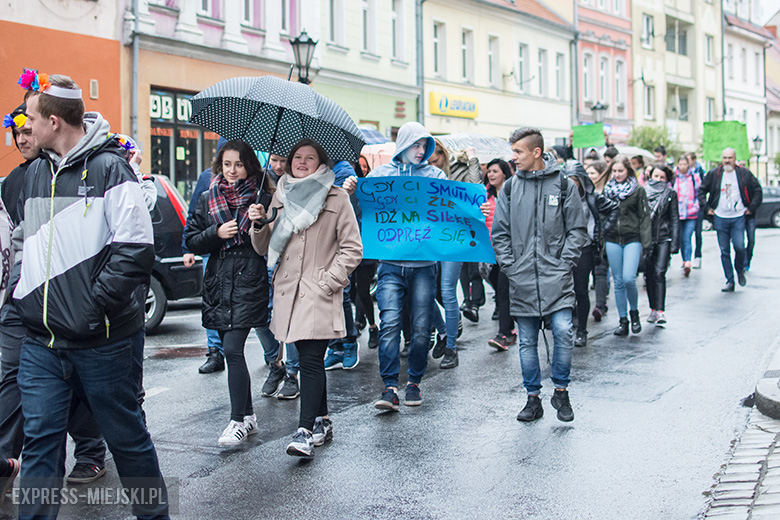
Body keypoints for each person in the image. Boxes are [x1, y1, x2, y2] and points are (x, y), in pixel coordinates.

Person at [12, 72, 168, 518]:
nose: (26, 127)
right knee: (41, 442)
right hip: (41, 341)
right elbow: (24, 242)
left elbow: (136, 252)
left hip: (102, 340)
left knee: (125, 436)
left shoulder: (110, 169)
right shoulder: (36, 172)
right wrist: (22, 297)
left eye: (32, 118)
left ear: (55, 122)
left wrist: (90, 306)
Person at [250, 139, 362, 457]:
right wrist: (259, 223)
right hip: (287, 291)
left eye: (309, 157)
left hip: (318, 291)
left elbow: (353, 248)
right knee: (306, 356)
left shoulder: (337, 197)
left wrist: (329, 281)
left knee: (311, 360)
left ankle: (304, 430)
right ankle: (323, 420)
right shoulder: (280, 195)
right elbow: (264, 247)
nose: (301, 162)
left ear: (321, 162)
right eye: (296, 156)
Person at [344, 121, 446, 410]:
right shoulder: (380, 175)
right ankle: (389, 387)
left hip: (425, 265)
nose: (420, 150)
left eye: (425, 145)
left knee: (421, 326)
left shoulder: (435, 175)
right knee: (389, 325)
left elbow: (447, 211)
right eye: (416, 144)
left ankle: (414, 381)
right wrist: (352, 191)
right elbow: (363, 213)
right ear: (402, 144)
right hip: (389, 264)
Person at [492, 127, 587, 423]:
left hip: (556, 278)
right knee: (527, 341)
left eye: (518, 152)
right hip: (521, 279)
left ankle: (561, 389)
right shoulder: (510, 187)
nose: (514, 158)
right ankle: (533, 398)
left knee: (563, 330)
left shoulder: (563, 185)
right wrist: (511, 266)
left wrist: (564, 264)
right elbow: (500, 233)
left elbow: (577, 230)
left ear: (536, 152)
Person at [185, 139, 274, 447]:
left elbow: (272, 241)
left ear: (249, 165)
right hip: (218, 279)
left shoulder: (263, 195)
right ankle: (247, 416)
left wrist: (260, 219)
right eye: (227, 164)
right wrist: (216, 233)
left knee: (233, 348)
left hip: (249, 277)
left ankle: (236, 420)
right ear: (219, 166)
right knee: (229, 347)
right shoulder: (208, 196)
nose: (233, 170)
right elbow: (191, 239)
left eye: (238, 164)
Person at [565, 161, 618, 347]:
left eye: (575, 180)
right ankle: (566, 325)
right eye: (568, 180)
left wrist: (603, 231)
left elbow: (613, 209)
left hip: (584, 248)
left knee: (581, 290)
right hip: (562, 250)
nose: (571, 184)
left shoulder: (592, 198)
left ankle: (582, 330)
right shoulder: (557, 197)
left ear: (581, 181)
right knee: (564, 290)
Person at [698, 148, 762, 292]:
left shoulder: (743, 173)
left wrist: (751, 208)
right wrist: (707, 208)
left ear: (735, 159)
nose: (727, 160)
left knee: (740, 246)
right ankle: (730, 280)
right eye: (725, 158)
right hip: (720, 217)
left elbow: (757, 190)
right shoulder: (714, 174)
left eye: (730, 158)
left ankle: (739, 269)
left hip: (738, 216)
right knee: (724, 250)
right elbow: (701, 190)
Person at [603, 155, 651, 336]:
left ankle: (634, 313)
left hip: (632, 238)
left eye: (620, 171)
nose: (617, 174)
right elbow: (602, 215)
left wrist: (646, 243)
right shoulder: (607, 191)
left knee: (629, 277)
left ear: (628, 170)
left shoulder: (638, 190)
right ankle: (623, 321)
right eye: (614, 171)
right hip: (612, 238)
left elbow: (644, 217)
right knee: (618, 282)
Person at [480, 159, 516, 351]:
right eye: (489, 172)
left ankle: (504, 333)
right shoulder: (485, 195)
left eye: (495, 171)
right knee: (499, 288)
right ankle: (509, 327)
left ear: (504, 173)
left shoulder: (513, 193)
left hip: (508, 251)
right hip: (488, 251)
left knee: (503, 291)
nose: (491, 175)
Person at [643, 164, 679, 325]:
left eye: (662, 177)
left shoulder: (670, 194)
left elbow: (674, 219)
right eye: (656, 176)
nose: (658, 180)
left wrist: (675, 243)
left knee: (659, 273)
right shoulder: (642, 191)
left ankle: (661, 311)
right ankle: (652, 309)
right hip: (646, 240)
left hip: (663, 238)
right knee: (649, 274)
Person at [586, 160, 611, 321]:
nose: (589, 177)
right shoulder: (583, 192)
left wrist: (605, 229)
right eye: (587, 173)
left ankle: (600, 305)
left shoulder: (606, 192)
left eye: (593, 173)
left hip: (602, 238)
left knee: (601, 272)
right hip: (586, 239)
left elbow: (613, 212)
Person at [672, 154, 700, 277]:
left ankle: (688, 261)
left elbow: (700, 193)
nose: (683, 167)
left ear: (688, 164)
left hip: (691, 213)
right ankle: (684, 260)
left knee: (687, 237)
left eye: (685, 164)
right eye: (681, 164)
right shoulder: (674, 178)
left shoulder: (694, 177)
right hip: (677, 213)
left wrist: (696, 206)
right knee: (681, 239)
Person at [687, 152, 706, 269]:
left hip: (698, 207)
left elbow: (703, 189)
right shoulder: (684, 172)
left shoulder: (700, 171)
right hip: (687, 208)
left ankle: (698, 256)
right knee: (686, 235)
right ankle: (687, 259)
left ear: (694, 160)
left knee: (698, 233)